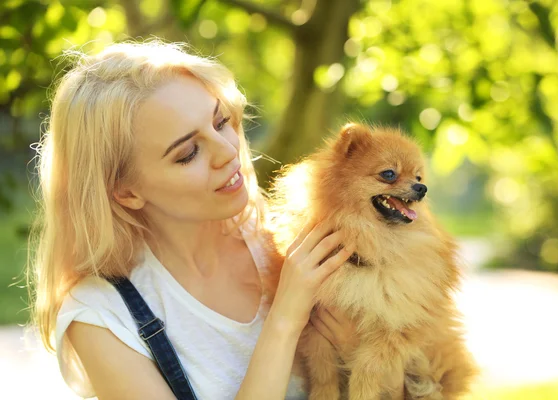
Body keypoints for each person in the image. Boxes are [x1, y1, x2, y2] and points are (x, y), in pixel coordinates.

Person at [29, 41, 357, 399]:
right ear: (126, 192)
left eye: (221, 122)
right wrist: (284, 320)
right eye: (188, 154)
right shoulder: (103, 317)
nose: (228, 150)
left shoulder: (290, 241)